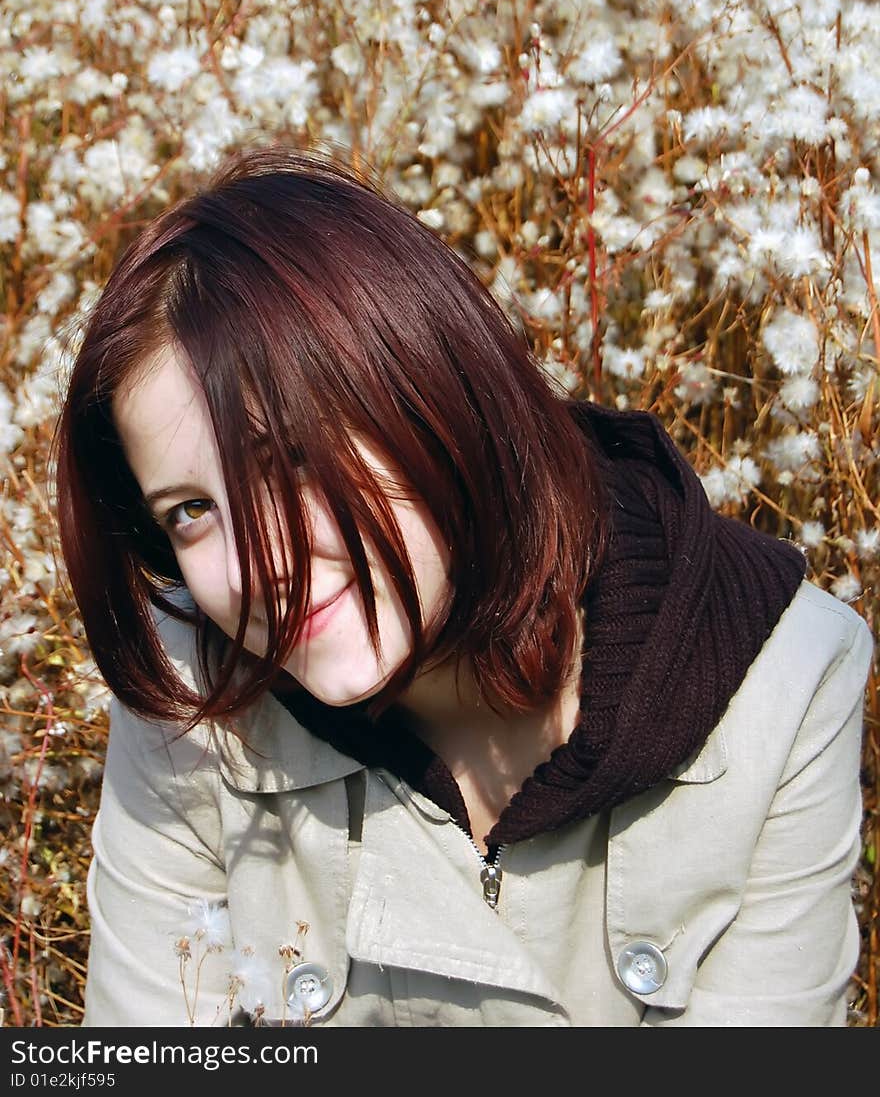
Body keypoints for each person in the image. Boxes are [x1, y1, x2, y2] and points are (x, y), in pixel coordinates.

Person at [54, 144, 872, 1028]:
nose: (263, 565)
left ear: (428, 384)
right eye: (190, 511)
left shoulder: (783, 680)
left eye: (288, 460)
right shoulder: (190, 696)